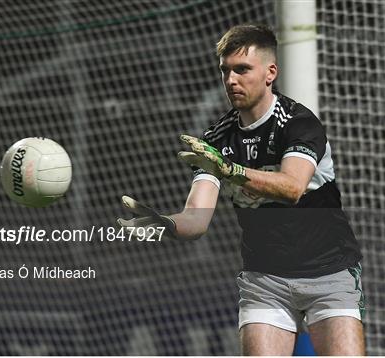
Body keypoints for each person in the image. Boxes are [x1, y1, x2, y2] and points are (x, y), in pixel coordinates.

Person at [118, 24, 365, 355]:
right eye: (226, 71)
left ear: (269, 73)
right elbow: (197, 219)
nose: (231, 80)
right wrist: (168, 224)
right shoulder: (216, 140)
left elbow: (292, 188)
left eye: (242, 69)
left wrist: (229, 170)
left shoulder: (299, 124)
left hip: (329, 273)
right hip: (266, 280)